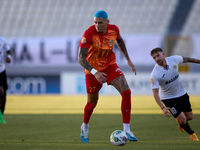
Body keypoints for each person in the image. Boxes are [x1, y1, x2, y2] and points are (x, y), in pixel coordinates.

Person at [78, 10, 138, 143]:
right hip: (92, 72)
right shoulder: (89, 33)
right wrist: (95, 72)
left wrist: (127, 59)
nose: (97, 25)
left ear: (107, 22)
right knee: (92, 103)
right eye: (95, 23)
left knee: (127, 92)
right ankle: (85, 126)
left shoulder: (114, 29)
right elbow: (80, 58)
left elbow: (120, 41)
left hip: (110, 66)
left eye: (100, 23)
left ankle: (127, 130)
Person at [150, 47, 199, 141]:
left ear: (163, 54)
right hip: (168, 98)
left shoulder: (174, 59)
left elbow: (187, 59)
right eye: (154, 57)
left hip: (182, 93)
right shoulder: (155, 74)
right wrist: (163, 108)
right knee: (183, 120)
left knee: (189, 117)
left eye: (158, 55)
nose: (157, 59)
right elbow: (155, 94)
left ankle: (179, 121)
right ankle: (191, 133)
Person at [0, 36, 12, 124]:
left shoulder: (2, 40)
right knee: (1, 92)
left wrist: (9, 57)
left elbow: (9, 51)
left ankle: (1, 115)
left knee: (4, 95)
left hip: (1, 70)